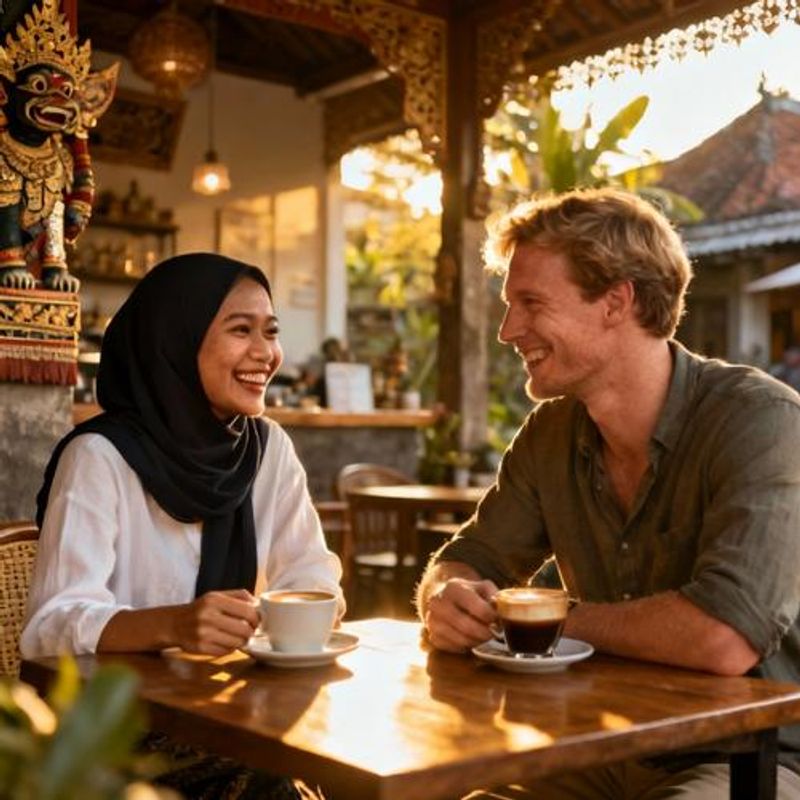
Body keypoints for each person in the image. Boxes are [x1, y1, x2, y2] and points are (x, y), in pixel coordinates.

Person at [417, 188, 800, 799]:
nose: (508, 330)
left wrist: (546, 617)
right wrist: (447, 595)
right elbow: (472, 557)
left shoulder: (761, 419)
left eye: (530, 303)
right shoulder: (551, 433)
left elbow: (725, 636)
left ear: (616, 302)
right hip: (602, 742)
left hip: (750, 756)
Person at [22, 252, 342, 798]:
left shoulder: (268, 451)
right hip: (120, 736)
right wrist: (173, 625)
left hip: (238, 714)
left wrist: (285, 619)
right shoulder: (101, 456)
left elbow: (314, 583)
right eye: (240, 330)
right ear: (174, 340)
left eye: (270, 331)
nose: (265, 354)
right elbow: (51, 627)